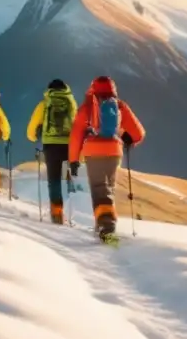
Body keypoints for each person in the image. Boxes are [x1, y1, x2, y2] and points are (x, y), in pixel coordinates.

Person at [68, 75, 145, 239]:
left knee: (98, 189)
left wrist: (74, 160)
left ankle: (107, 226)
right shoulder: (119, 106)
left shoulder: (87, 107)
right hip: (114, 152)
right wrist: (126, 139)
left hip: (92, 152)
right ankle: (103, 225)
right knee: (108, 189)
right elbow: (138, 133)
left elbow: (76, 136)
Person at [27, 79, 78, 224]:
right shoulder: (71, 103)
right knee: (69, 178)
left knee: (54, 180)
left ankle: (57, 213)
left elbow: (31, 129)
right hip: (69, 144)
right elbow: (77, 124)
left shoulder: (44, 104)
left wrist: (34, 137)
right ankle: (71, 213)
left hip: (50, 145)